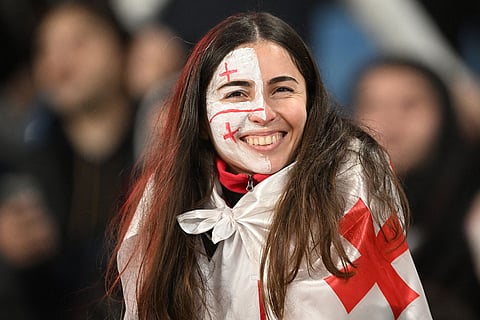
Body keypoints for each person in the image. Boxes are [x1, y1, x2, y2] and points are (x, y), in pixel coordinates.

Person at [108, 12, 432, 319]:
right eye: (237, 93)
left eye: (282, 90)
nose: (263, 113)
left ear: (311, 102)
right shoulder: (166, 201)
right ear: (202, 120)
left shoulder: (353, 186)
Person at [12, 1, 135, 318]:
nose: (58, 62)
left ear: (121, 48)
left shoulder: (163, 146)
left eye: (78, 42)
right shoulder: (26, 163)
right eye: (45, 49)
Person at [351, 56, 480, 319]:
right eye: (374, 105)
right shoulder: (335, 202)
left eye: (410, 104)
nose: (391, 119)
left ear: (445, 112)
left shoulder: (472, 202)